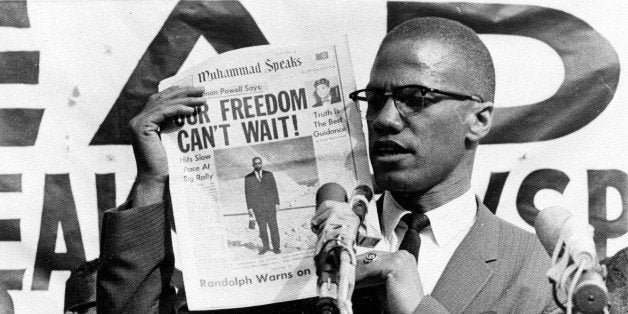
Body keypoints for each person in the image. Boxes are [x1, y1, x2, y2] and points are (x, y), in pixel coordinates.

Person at [98, 17, 556, 313]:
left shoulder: (537, 274)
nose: (385, 119)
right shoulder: (306, 241)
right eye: (375, 99)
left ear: (478, 119)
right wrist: (151, 182)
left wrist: (412, 300)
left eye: (416, 98)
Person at [244, 157, 281, 254]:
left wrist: (277, 203)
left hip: (270, 206)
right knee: (262, 229)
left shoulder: (269, 174)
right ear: (253, 165)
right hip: (258, 208)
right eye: (255, 164)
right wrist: (250, 208)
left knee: (274, 227)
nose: (257, 165)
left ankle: (276, 247)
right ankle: (266, 247)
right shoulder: (248, 178)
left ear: (262, 164)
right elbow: (247, 194)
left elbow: (274, 189)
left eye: (259, 163)